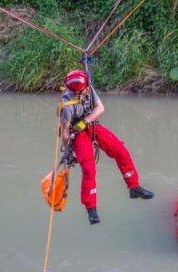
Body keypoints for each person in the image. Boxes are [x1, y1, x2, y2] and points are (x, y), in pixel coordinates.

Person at [59, 70, 154, 225]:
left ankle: (134, 187)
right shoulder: (66, 107)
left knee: (121, 151)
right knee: (89, 169)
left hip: (92, 125)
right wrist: (69, 151)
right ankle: (91, 208)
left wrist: (86, 121)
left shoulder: (88, 88)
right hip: (76, 133)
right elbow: (64, 132)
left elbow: (100, 108)